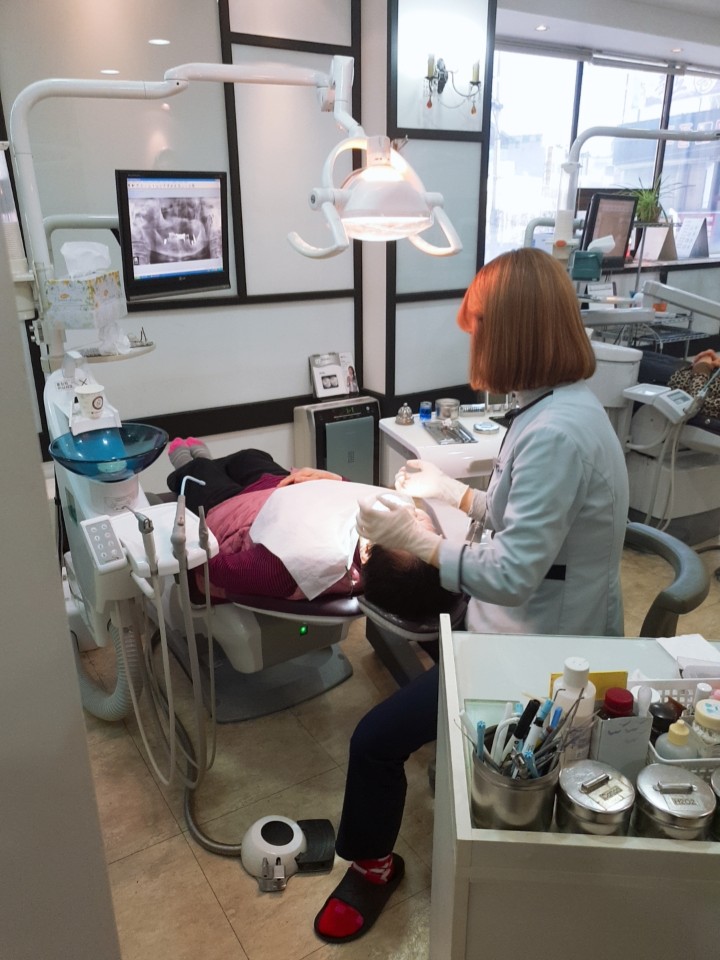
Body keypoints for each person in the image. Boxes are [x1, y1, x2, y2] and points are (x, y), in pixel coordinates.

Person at [312, 247, 630, 944]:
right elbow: (522, 518)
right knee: (420, 594)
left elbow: (513, 572)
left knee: (373, 742)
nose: (473, 340)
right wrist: (454, 494)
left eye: (480, 325)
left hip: (535, 655)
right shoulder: (554, 410)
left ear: (513, 331)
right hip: (518, 621)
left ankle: (372, 867)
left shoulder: (556, 433)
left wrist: (421, 542)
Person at [165, 439, 459, 616]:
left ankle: (193, 462)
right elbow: (350, 498)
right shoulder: (378, 522)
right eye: (428, 531)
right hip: (281, 487)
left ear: (367, 550)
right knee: (250, 456)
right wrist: (335, 480)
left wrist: (187, 547)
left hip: (235, 512)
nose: (410, 514)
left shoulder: (297, 564)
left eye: (407, 527)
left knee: (197, 473)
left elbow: (220, 570)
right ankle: (207, 463)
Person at [667, 348, 720, 419]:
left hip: (676, 383)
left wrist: (703, 367)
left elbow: (697, 403)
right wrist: (714, 360)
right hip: (688, 372)